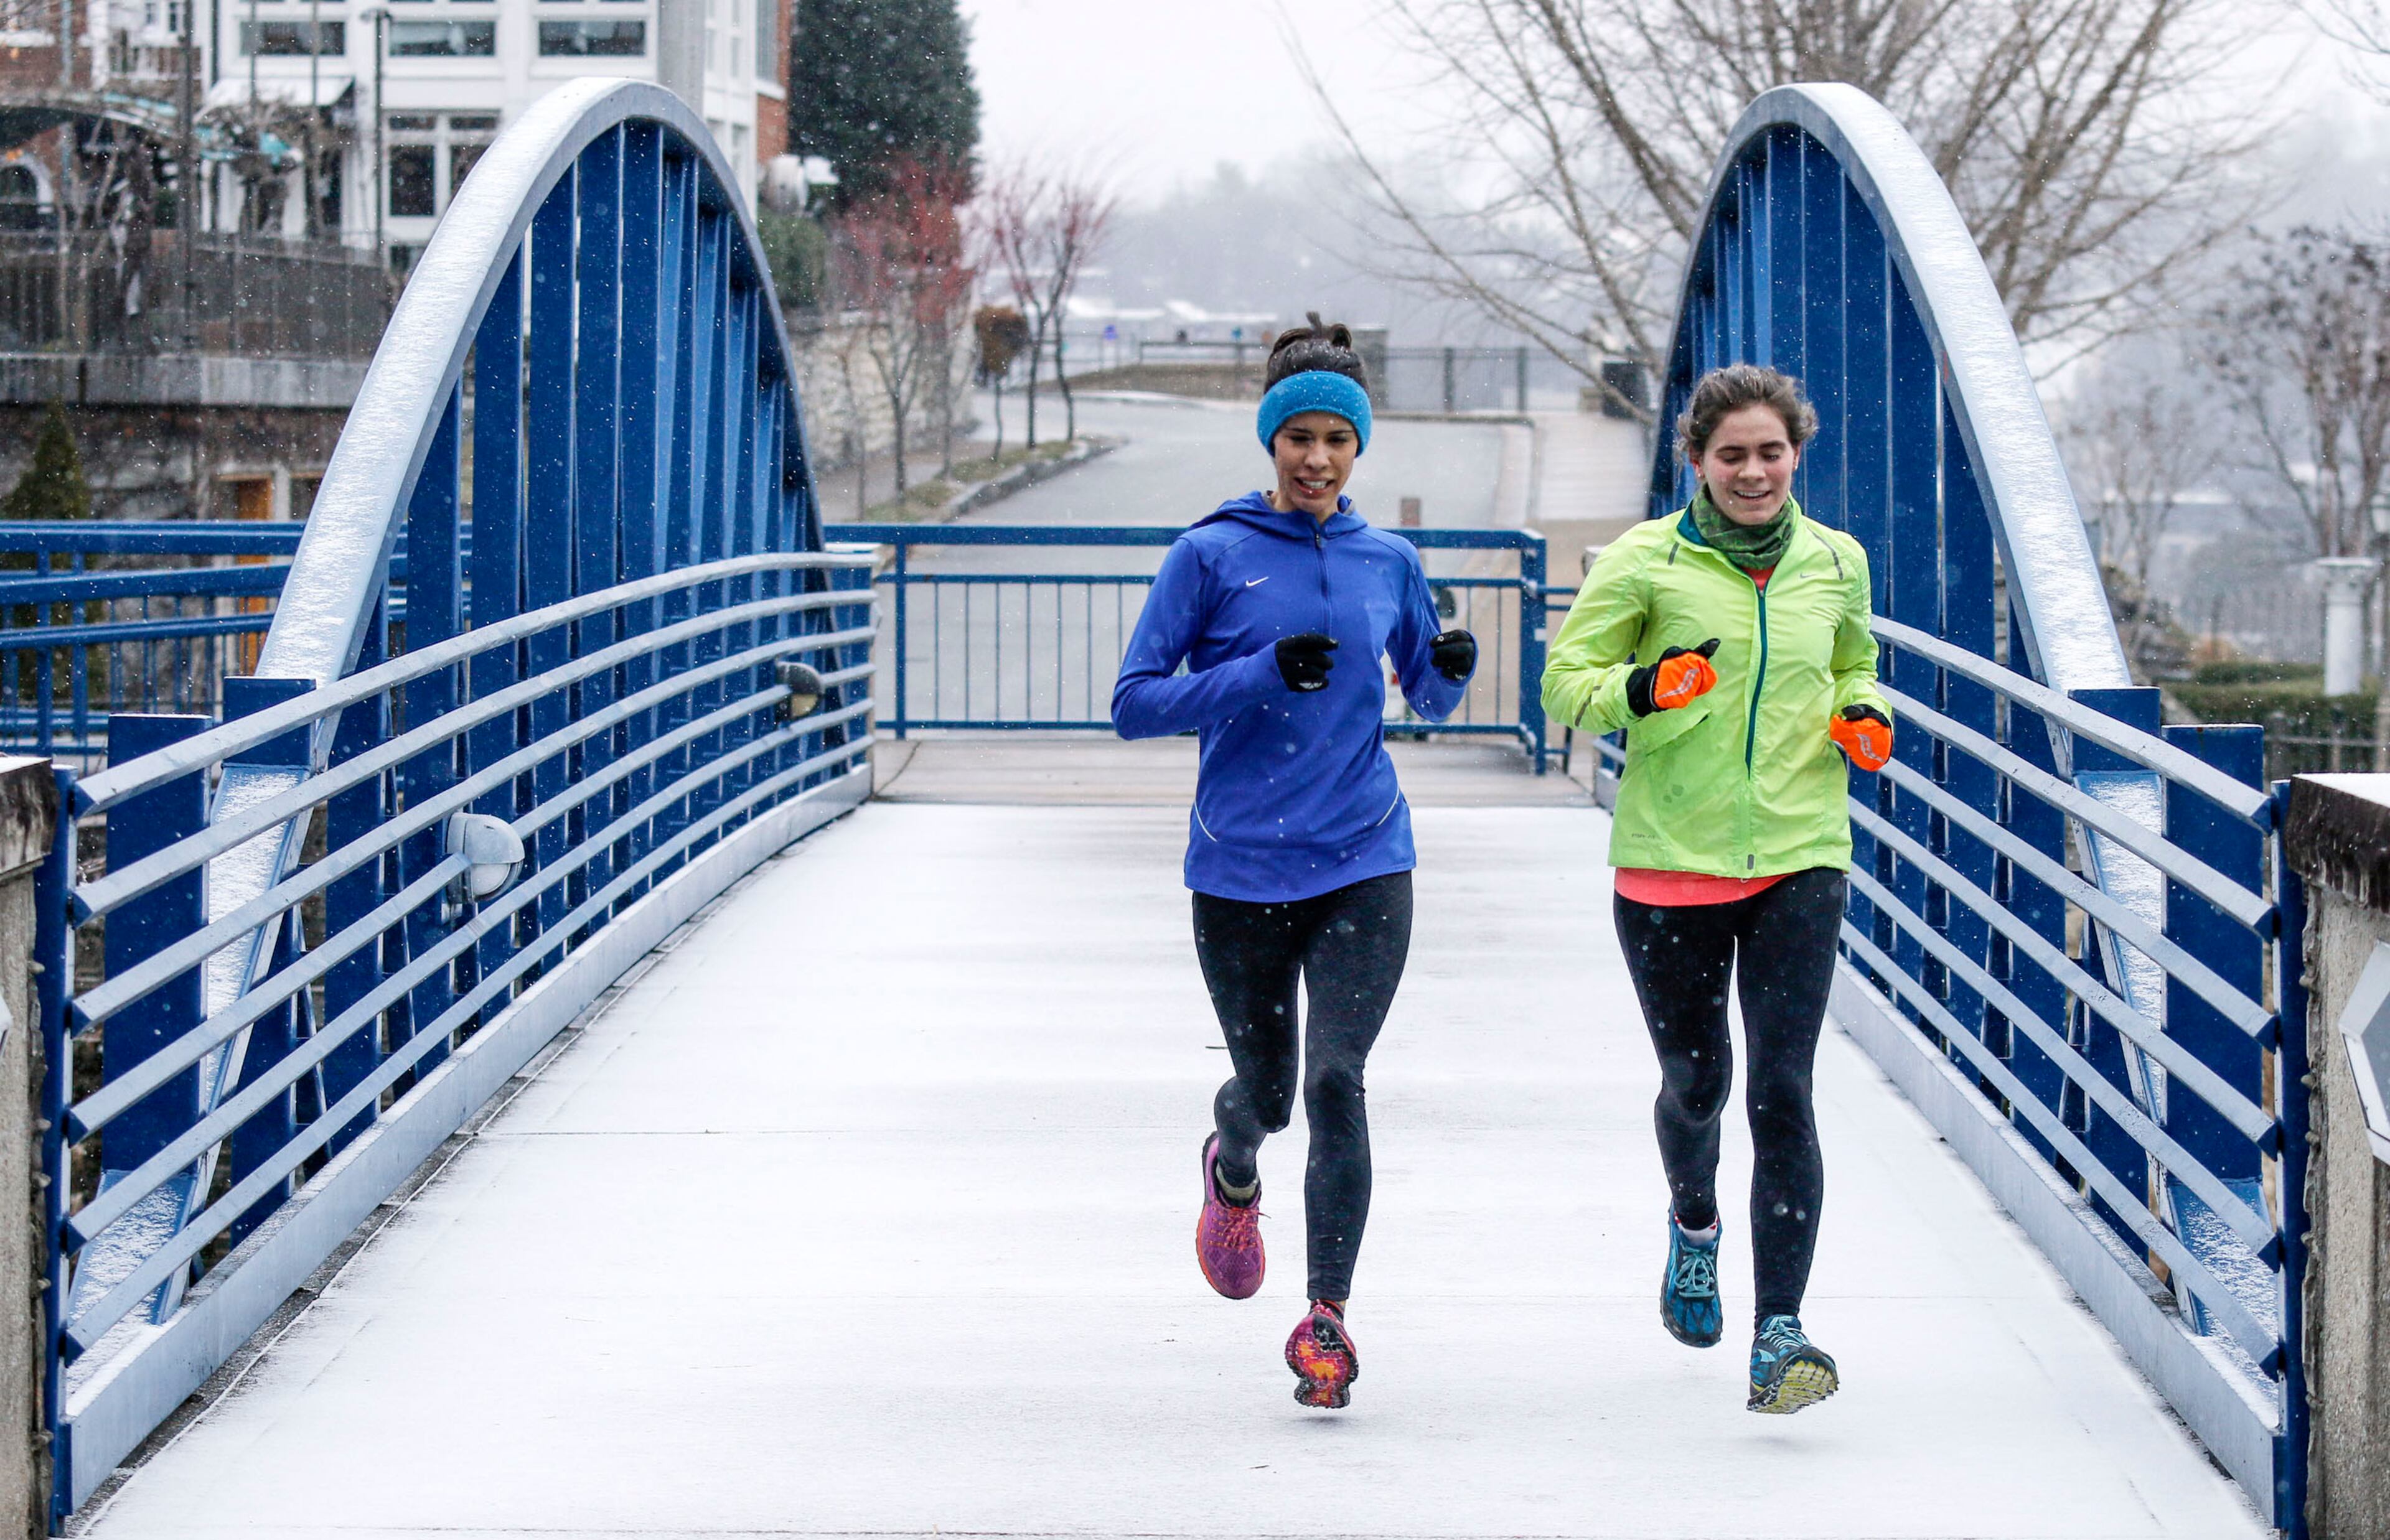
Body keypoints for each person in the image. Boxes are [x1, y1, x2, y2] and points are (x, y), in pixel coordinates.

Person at [1111, 314, 1479, 1410]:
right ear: (1270, 443)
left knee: (1337, 1080)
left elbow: (1429, 691)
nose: (1317, 459)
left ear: (1360, 449)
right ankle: (1231, 1165)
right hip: (1238, 871)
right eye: (1298, 439)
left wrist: (1452, 668)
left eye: (1338, 440)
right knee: (1269, 1095)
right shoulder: (1210, 555)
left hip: (1366, 855)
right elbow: (1134, 706)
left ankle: (1328, 1319)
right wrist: (1259, 671)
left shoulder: (1389, 560)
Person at [1540, 363, 1893, 1416]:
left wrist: (1861, 714)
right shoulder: (1648, 560)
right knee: (1700, 1084)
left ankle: (1779, 1332)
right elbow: (1568, 683)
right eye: (1731, 454)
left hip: (1800, 854)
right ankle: (1694, 1224)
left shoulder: (1837, 560)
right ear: (1695, 459)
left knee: (1784, 1092)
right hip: (1668, 864)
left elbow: (1852, 663)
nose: (1752, 472)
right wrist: (1645, 689)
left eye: (1770, 453)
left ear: (1798, 456)